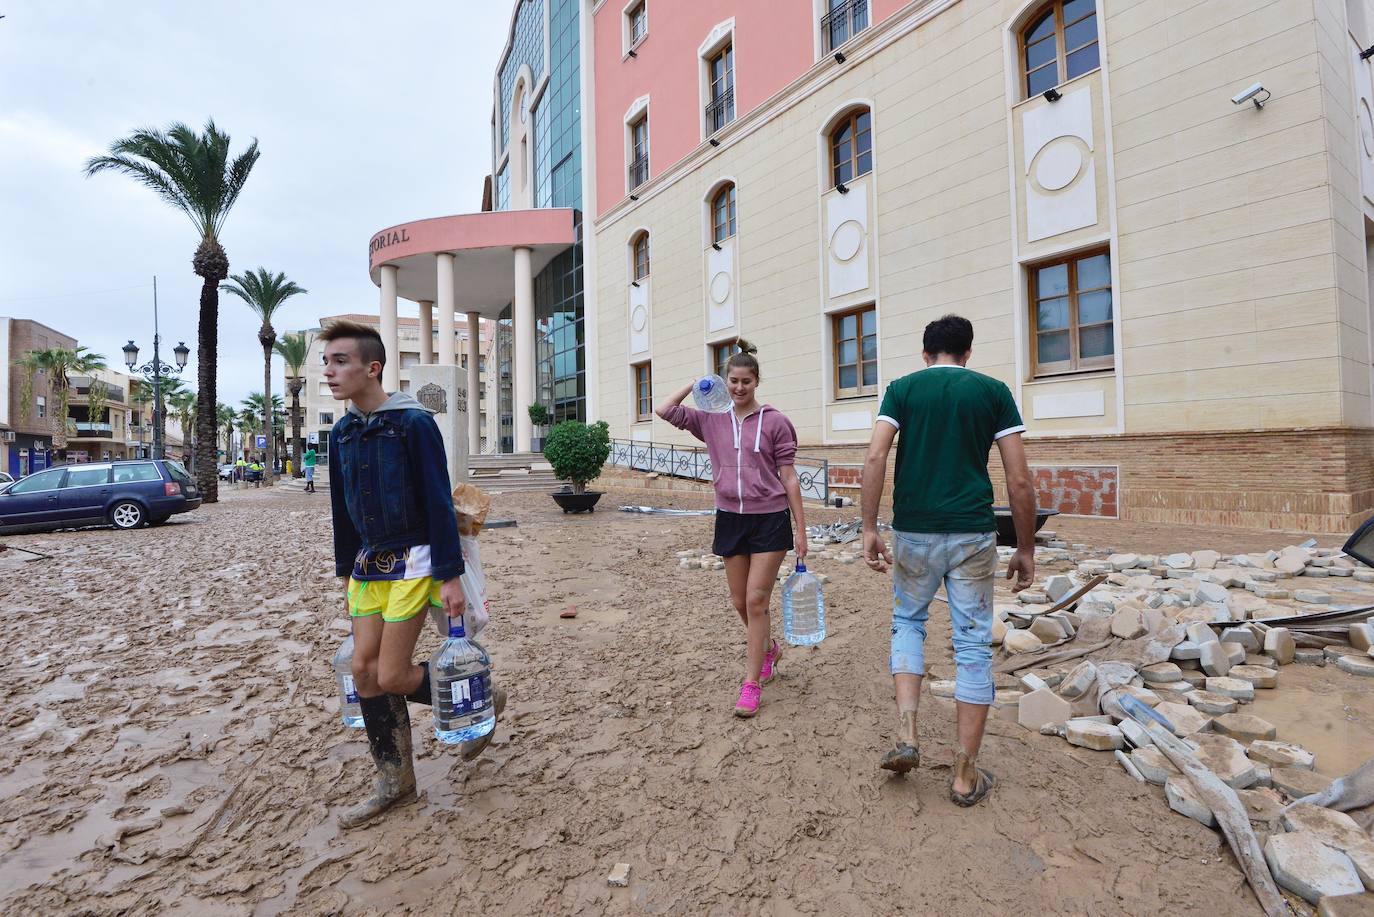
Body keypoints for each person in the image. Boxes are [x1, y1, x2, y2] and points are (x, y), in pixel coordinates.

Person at [322, 319, 505, 829]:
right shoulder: (343, 432)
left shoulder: (412, 423)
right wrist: (345, 572)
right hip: (367, 566)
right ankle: (395, 781)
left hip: (416, 561)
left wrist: (448, 575)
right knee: (362, 672)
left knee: (392, 675)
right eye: (327, 363)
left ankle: (483, 699)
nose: (330, 373)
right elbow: (342, 509)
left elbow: (437, 501)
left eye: (340, 362)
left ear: (371, 367)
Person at [860, 314, 1037, 807]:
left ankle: (909, 735)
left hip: (913, 530)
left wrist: (870, 528)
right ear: (968, 352)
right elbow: (1019, 479)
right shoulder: (993, 392)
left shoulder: (902, 389)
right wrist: (1025, 547)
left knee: (908, 623)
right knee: (974, 645)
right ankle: (963, 775)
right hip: (973, 533)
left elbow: (875, 458)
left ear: (925, 353)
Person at [655, 340, 806, 718]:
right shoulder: (711, 418)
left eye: (746, 382)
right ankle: (769, 648)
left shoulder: (775, 421)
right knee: (740, 602)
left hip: (770, 518)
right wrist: (696, 384)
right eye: (733, 381)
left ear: (757, 382)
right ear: (724, 382)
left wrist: (801, 530)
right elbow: (663, 409)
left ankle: (751, 683)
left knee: (757, 601)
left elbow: (788, 477)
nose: (739, 388)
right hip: (730, 518)